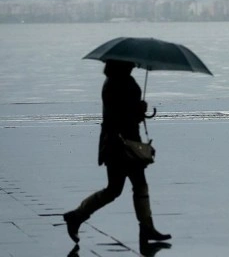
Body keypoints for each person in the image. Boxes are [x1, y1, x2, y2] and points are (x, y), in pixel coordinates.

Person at [63, 60, 171, 244]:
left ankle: (78, 215)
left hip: (118, 143)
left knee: (122, 187)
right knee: (127, 186)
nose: (134, 65)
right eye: (130, 63)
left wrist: (138, 110)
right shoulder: (118, 84)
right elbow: (121, 116)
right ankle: (145, 228)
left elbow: (122, 113)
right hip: (121, 144)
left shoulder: (115, 81)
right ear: (122, 65)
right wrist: (138, 110)